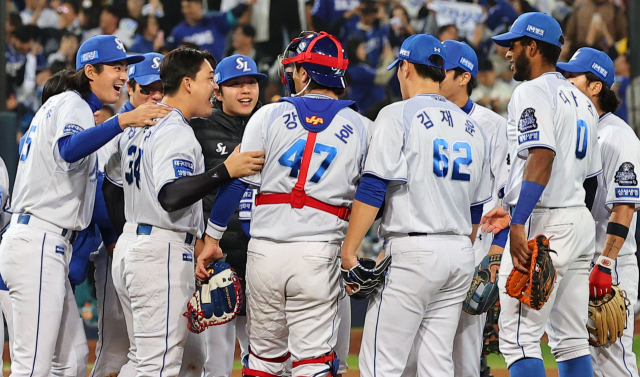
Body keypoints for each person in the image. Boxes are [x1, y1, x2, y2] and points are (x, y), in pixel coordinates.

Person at [197, 31, 371, 377]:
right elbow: (372, 194)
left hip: (264, 254)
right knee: (313, 361)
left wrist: (212, 240)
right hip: (319, 251)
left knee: (262, 361)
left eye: (293, 70)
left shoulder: (268, 115)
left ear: (305, 74)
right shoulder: (364, 126)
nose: (290, 76)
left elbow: (235, 186)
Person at [0, 34, 168, 377]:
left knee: (75, 357)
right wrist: (121, 121)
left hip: (42, 241)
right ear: (90, 70)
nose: (123, 75)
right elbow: (68, 149)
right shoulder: (72, 103)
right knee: (32, 367)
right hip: (38, 241)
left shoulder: (61, 106)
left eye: (125, 67)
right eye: (116, 67)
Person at [105, 47, 264, 376]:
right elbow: (171, 195)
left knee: (156, 360)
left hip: (135, 244)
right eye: (210, 79)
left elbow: (111, 186)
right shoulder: (175, 129)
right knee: (157, 365)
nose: (215, 88)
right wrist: (227, 170)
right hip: (158, 254)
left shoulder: (141, 122)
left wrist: (129, 234)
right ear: (188, 83)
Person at [340, 33, 491, 377]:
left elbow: (374, 185)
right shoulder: (473, 128)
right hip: (458, 252)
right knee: (436, 362)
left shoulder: (397, 114)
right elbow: (476, 212)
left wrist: (349, 251)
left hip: (414, 251)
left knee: (382, 364)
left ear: (406, 68)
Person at [488, 12, 602, 377]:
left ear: (532, 48)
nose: (508, 52)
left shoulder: (531, 91)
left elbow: (542, 155)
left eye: (514, 45)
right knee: (570, 339)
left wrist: (519, 221)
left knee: (519, 339)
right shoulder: (582, 100)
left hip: (546, 221)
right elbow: (592, 180)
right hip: (577, 219)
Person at [558, 47, 640, 377]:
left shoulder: (617, 136)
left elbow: (625, 205)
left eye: (572, 77)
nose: (565, 83)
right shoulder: (582, 131)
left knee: (614, 361)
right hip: (580, 261)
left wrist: (605, 264)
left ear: (596, 87)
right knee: (581, 358)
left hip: (609, 263)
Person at [190, 53, 266, 377]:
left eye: (250, 82)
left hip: (261, 256)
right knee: (214, 360)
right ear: (217, 92)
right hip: (217, 258)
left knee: (263, 354)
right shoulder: (199, 127)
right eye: (235, 84)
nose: (245, 90)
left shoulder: (271, 123)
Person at [439, 40, 509, 377]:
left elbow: (504, 195)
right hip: (430, 242)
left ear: (464, 76)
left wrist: (494, 253)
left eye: (443, 69)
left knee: (465, 354)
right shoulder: (420, 117)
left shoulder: (493, 125)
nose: (434, 74)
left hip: (474, 245)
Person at [169, 0, 253, 62]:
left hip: (218, 70)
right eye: (183, 7)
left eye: (189, 6)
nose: (186, 11)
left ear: (200, 5)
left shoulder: (215, 21)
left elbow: (232, 15)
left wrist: (245, 4)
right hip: (192, 74)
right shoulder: (178, 31)